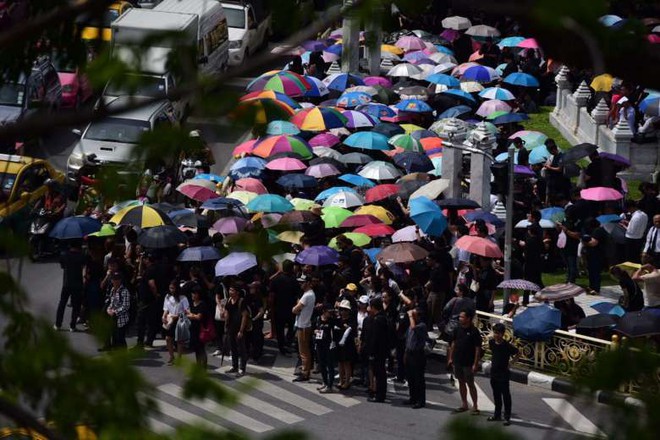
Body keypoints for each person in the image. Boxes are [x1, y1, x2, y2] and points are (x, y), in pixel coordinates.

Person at [447, 310, 482, 415]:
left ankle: (475, 406)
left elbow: (477, 349)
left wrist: (475, 363)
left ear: (468, 319)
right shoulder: (457, 329)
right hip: (457, 361)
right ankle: (464, 404)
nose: (460, 319)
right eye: (460, 317)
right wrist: (450, 358)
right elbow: (453, 344)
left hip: (468, 363)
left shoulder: (474, 331)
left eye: (462, 317)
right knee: (461, 382)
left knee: (470, 384)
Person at [487, 323, 518, 426]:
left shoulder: (507, 346)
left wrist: (511, 363)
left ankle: (507, 417)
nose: (496, 335)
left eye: (498, 333)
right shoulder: (491, 343)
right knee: (496, 395)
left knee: (506, 396)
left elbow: (518, 353)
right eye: (495, 332)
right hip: (494, 373)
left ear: (503, 334)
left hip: (503, 374)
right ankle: (497, 414)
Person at [269, 260, 300, 355]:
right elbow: (297, 295)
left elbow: (271, 296)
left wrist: (271, 308)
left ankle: (281, 346)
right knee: (292, 327)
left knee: (280, 329)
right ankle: (288, 342)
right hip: (291, 308)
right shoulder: (294, 280)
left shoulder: (276, 279)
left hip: (278, 308)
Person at [54, 241, 86, 332]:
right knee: (76, 306)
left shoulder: (64, 254)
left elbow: (62, 266)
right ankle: (72, 326)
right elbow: (84, 266)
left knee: (62, 303)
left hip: (66, 283)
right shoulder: (81, 256)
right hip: (77, 283)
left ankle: (58, 324)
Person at [292, 275, 316, 382]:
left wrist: (296, 307)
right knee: (305, 350)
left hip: (304, 326)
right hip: (304, 324)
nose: (300, 284)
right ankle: (306, 369)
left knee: (304, 351)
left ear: (308, 282)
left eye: (302, 282)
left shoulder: (307, 295)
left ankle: (305, 373)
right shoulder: (309, 294)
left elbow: (295, 310)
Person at [404, 307, 428, 409]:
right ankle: (412, 397)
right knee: (410, 378)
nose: (411, 317)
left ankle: (420, 401)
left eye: (414, 315)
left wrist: (410, 316)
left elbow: (413, 327)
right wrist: (405, 354)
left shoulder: (421, 326)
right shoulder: (411, 325)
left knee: (418, 379)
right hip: (409, 353)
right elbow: (408, 340)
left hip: (418, 355)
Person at [367, 297, 389, 403]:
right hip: (383, 350)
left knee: (379, 374)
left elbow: (375, 338)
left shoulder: (377, 320)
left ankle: (379, 395)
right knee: (381, 373)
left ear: (374, 307)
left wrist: (372, 352)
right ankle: (381, 394)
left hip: (378, 352)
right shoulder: (383, 317)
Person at [162, 279, 190, 366]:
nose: (171, 290)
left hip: (179, 320)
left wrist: (177, 316)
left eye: (173, 288)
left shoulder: (183, 298)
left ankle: (179, 358)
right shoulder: (167, 296)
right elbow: (165, 309)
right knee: (168, 338)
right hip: (170, 319)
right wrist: (163, 316)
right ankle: (171, 356)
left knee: (179, 340)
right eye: (170, 288)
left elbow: (187, 311)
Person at [224, 285, 250, 376]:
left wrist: (241, 331)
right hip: (231, 328)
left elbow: (244, 316)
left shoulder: (241, 301)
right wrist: (226, 324)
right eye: (230, 289)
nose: (230, 291)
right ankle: (234, 366)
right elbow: (227, 312)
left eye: (232, 290)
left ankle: (242, 368)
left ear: (237, 292)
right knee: (233, 348)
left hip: (239, 328)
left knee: (242, 349)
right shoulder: (228, 300)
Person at [101, 272, 131, 350]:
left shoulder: (124, 291)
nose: (115, 281)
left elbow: (126, 306)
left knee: (120, 339)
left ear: (120, 280)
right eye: (114, 279)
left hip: (121, 319)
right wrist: (109, 309)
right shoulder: (112, 290)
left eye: (117, 279)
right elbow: (111, 302)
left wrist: (115, 312)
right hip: (113, 318)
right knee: (114, 338)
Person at [314, 303, 339, 393]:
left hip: (329, 346)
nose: (330, 313)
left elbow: (336, 331)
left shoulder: (332, 321)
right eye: (329, 312)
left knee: (330, 365)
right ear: (324, 311)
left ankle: (330, 385)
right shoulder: (318, 319)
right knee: (322, 365)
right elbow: (314, 328)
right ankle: (324, 382)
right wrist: (316, 331)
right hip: (319, 345)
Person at [582, 218, 608, 294]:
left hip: (597, 255)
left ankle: (596, 288)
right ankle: (591, 286)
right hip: (592, 254)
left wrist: (585, 242)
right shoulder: (594, 230)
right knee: (591, 271)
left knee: (595, 272)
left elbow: (593, 243)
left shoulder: (598, 231)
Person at [336, 299, 357, 390]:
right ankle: (341, 380)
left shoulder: (351, 321)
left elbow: (353, 332)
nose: (343, 311)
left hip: (348, 345)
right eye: (341, 309)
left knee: (346, 363)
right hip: (338, 344)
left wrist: (347, 327)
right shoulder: (338, 320)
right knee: (340, 362)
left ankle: (347, 381)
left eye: (345, 309)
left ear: (348, 311)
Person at [186, 286, 209, 368]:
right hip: (193, 329)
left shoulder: (202, 304)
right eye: (192, 293)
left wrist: (191, 315)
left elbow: (199, 317)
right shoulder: (192, 304)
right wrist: (192, 315)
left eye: (195, 293)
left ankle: (204, 368)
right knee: (196, 349)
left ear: (199, 295)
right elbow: (189, 314)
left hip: (201, 329)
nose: (193, 295)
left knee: (201, 349)